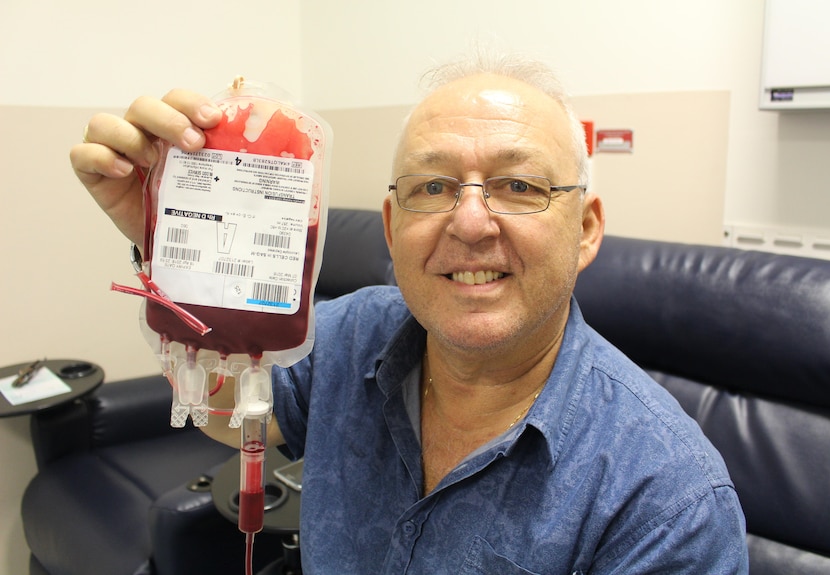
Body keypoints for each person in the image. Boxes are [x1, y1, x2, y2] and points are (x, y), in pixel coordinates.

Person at [71, 51, 748, 574]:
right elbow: (227, 414)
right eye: (433, 186)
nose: (471, 221)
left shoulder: (668, 499)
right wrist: (176, 256)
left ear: (587, 230)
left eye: (518, 184)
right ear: (392, 230)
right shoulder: (347, 336)